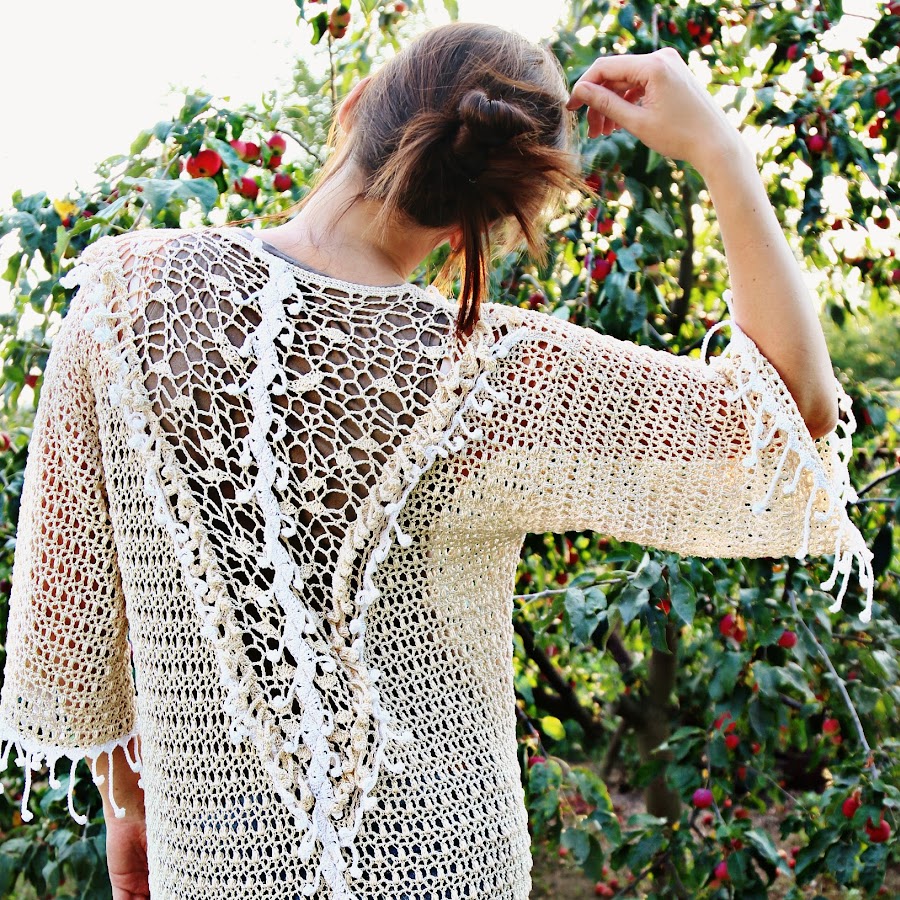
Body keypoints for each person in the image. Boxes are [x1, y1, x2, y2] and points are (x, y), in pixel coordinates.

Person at [0, 21, 873, 900]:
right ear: (481, 223)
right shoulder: (498, 375)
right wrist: (721, 152)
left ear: (355, 107)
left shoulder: (124, 295)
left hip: (219, 858)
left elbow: (71, 622)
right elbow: (787, 421)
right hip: (446, 858)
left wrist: (128, 812)